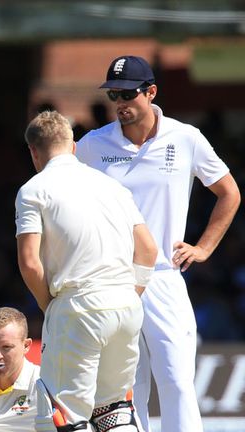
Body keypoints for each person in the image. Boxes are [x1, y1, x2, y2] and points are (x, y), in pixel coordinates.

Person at [76, 55, 241, 432]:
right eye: (113, 94)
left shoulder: (185, 138)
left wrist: (203, 248)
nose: (120, 102)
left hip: (164, 276)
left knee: (177, 380)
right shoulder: (91, 145)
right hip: (112, 280)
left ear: (151, 92)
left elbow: (228, 193)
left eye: (128, 94)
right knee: (125, 385)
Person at [15, 110, 158, 431]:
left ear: (33, 152)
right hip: (126, 306)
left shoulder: (33, 189)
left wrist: (48, 305)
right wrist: (127, 294)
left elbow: (29, 261)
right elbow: (148, 250)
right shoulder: (112, 186)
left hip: (77, 306)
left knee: (61, 413)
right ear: (74, 146)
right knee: (115, 409)